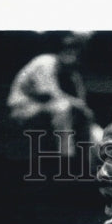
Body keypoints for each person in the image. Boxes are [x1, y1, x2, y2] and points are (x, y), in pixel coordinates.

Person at [7, 32, 102, 160]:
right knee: (62, 107)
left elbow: (82, 103)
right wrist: (79, 106)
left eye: (76, 49)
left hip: (46, 108)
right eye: (69, 49)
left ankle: (93, 167)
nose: (72, 53)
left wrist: (85, 112)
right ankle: (66, 156)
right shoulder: (45, 62)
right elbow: (49, 94)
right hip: (23, 107)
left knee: (95, 131)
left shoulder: (73, 75)